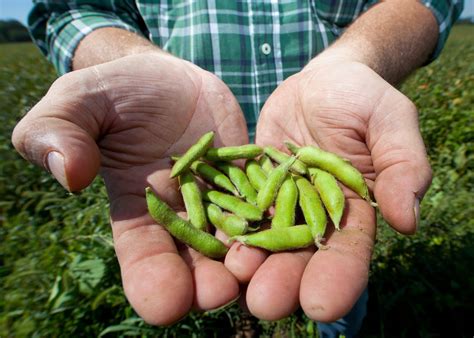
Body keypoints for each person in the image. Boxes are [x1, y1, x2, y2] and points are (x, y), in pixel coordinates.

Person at [13, 0, 462, 336]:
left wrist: (355, 58)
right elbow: (67, 10)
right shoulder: (199, 173)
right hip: (182, 142)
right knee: (220, 299)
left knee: (333, 306)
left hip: (320, 141)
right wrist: (129, 62)